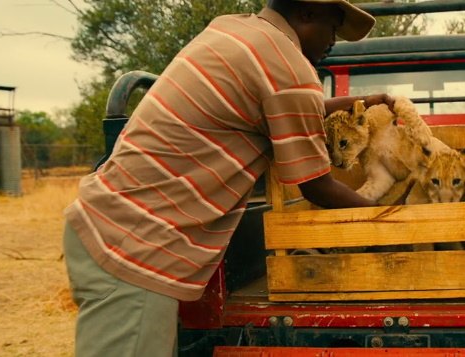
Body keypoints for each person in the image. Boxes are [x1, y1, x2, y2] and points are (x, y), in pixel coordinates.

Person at [62, 1, 388, 355]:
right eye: (333, 26)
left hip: (114, 225)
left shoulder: (235, 30)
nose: (334, 42)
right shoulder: (289, 66)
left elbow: (280, 106)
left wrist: (359, 101)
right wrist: (390, 221)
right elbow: (316, 185)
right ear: (307, 13)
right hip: (137, 249)